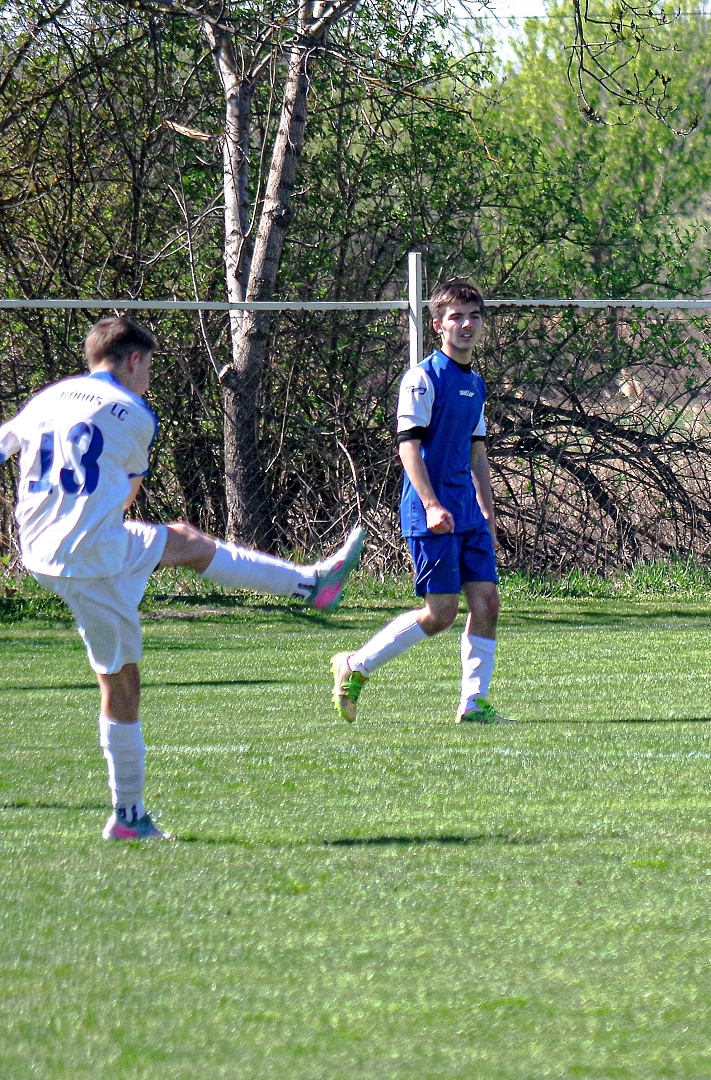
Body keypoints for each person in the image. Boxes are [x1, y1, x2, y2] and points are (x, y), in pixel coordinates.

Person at [0, 316, 365, 840]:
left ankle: (312, 585)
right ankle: (129, 817)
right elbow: (127, 494)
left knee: (184, 545)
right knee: (123, 679)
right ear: (133, 360)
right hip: (90, 554)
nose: (149, 377)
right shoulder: (134, 413)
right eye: (148, 365)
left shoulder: (48, 397)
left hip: (40, 547)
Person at [331, 280, 509, 724]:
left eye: (474, 316)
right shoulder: (422, 378)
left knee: (487, 603)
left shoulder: (475, 384)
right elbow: (408, 446)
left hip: (467, 512)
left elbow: (477, 452)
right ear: (438, 326)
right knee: (441, 613)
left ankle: (474, 702)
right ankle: (355, 664)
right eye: (456, 317)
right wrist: (430, 504)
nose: (466, 324)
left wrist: (487, 509)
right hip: (430, 512)